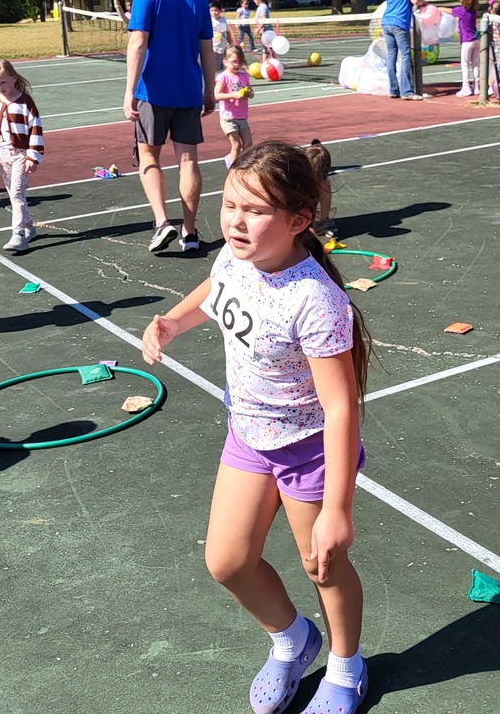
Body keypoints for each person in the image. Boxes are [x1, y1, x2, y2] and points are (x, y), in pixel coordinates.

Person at [141, 142, 371, 714]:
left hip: (307, 451)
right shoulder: (233, 257)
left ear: (298, 221)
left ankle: (346, 668)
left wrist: (338, 509)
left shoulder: (315, 301)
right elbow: (217, 295)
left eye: (255, 211)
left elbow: (340, 408)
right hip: (248, 433)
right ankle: (292, 639)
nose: (236, 221)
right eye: (230, 205)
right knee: (227, 561)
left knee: (323, 564)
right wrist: (174, 320)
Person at [124, 0, 215, 253]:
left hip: (153, 90)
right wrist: (210, 90)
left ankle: (162, 223)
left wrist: (129, 90)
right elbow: (207, 50)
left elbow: (137, 43)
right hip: (188, 90)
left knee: (149, 155)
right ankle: (189, 233)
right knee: (188, 159)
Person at [0, 59, 43, 252]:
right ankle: (30, 228)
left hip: (20, 154)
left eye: (3, 82)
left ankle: (18, 234)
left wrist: (32, 156)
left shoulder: (25, 102)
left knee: (17, 193)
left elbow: (36, 128)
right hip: (3, 155)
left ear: (13, 78)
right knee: (13, 194)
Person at [382, 0, 423, 100]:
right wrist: (422, 2)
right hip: (400, 23)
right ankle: (407, 91)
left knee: (392, 56)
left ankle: (394, 89)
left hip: (386, 23)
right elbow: (414, 0)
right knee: (405, 55)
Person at [215, 44, 254, 169]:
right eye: (233, 62)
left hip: (242, 116)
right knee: (236, 145)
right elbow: (217, 95)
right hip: (228, 117)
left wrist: (247, 93)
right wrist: (234, 95)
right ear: (225, 62)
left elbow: (251, 93)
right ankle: (232, 168)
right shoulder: (223, 77)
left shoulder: (243, 76)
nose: (237, 65)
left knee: (248, 143)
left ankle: (238, 161)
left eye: (240, 62)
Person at [446, 0, 479, 97]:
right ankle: (477, 87)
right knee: (475, 64)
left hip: (467, 41)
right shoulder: (473, 11)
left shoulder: (461, 11)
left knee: (464, 65)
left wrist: (433, 8)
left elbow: (447, 10)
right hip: (476, 40)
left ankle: (466, 87)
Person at [305, 140, 336, 238]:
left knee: (324, 184)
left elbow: (325, 202)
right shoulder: (294, 177)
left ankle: (324, 222)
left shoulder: (323, 182)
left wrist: (324, 220)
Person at [210, 3, 234, 72]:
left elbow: (227, 32)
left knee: (224, 63)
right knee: (214, 65)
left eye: (216, 10)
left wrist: (230, 43)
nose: (214, 12)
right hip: (213, 46)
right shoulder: (209, 20)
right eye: (212, 10)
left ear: (220, 11)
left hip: (222, 45)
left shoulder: (223, 20)